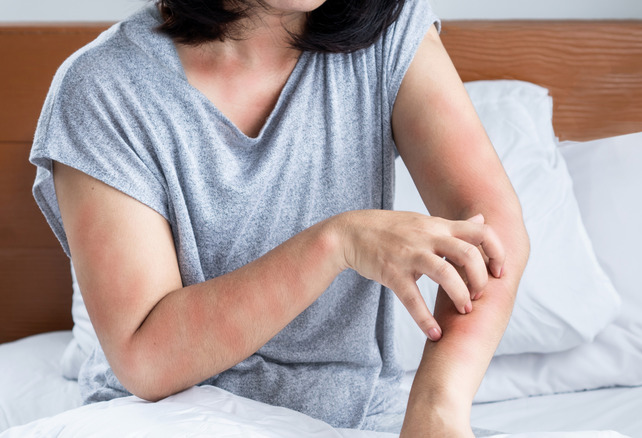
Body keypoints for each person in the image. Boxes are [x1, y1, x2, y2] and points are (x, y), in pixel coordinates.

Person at [30, 0, 529, 436]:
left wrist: (437, 408)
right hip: (160, 418)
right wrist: (337, 243)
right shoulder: (101, 88)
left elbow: (490, 228)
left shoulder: (390, 34)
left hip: (352, 421)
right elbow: (146, 357)